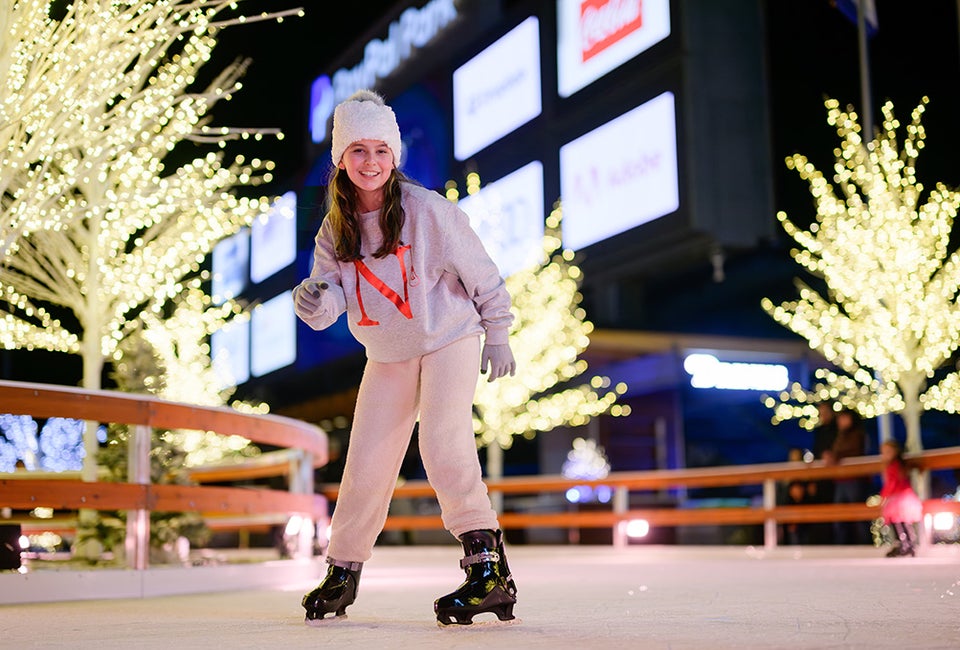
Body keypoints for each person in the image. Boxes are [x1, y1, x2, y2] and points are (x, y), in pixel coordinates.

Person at [293, 89, 518, 626]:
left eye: (380, 150)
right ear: (340, 159)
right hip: (388, 351)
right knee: (366, 459)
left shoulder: (428, 212)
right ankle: (342, 571)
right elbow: (333, 298)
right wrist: (315, 302)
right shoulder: (335, 229)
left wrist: (499, 332)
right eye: (357, 151)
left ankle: (487, 570)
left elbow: (482, 274)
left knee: (442, 440)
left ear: (395, 156)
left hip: (449, 336)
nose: (370, 162)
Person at [828, 408, 871, 544]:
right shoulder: (840, 436)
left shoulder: (857, 435)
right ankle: (843, 545)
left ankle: (865, 544)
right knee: (840, 516)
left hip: (854, 479)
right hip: (841, 480)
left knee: (859, 516)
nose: (841, 421)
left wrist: (836, 456)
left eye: (844, 418)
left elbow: (856, 452)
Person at [879, 439, 923, 557]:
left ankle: (904, 544)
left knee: (899, 521)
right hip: (901, 497)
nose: (885, 455)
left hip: (899, 498)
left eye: (888, 452)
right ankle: (908, 544)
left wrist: (884, 495)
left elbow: (892, 483)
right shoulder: (896, 465)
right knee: (902, 522)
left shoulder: (895, 466)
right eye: (884, 452)